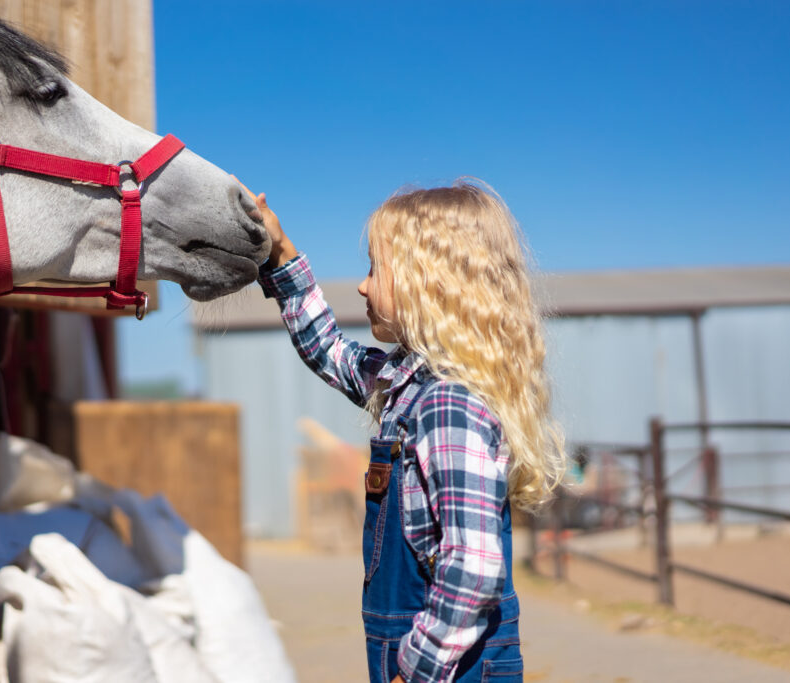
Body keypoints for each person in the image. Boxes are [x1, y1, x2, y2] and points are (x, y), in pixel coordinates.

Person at [240, 178, 567, 683]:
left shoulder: (447, 404)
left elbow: (473, 567)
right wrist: (281, 255)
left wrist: (416, 669)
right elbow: (329, 350)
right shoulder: (406, 385)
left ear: (429, 284)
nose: (363, 286)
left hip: (449, 665)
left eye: (375, 269)